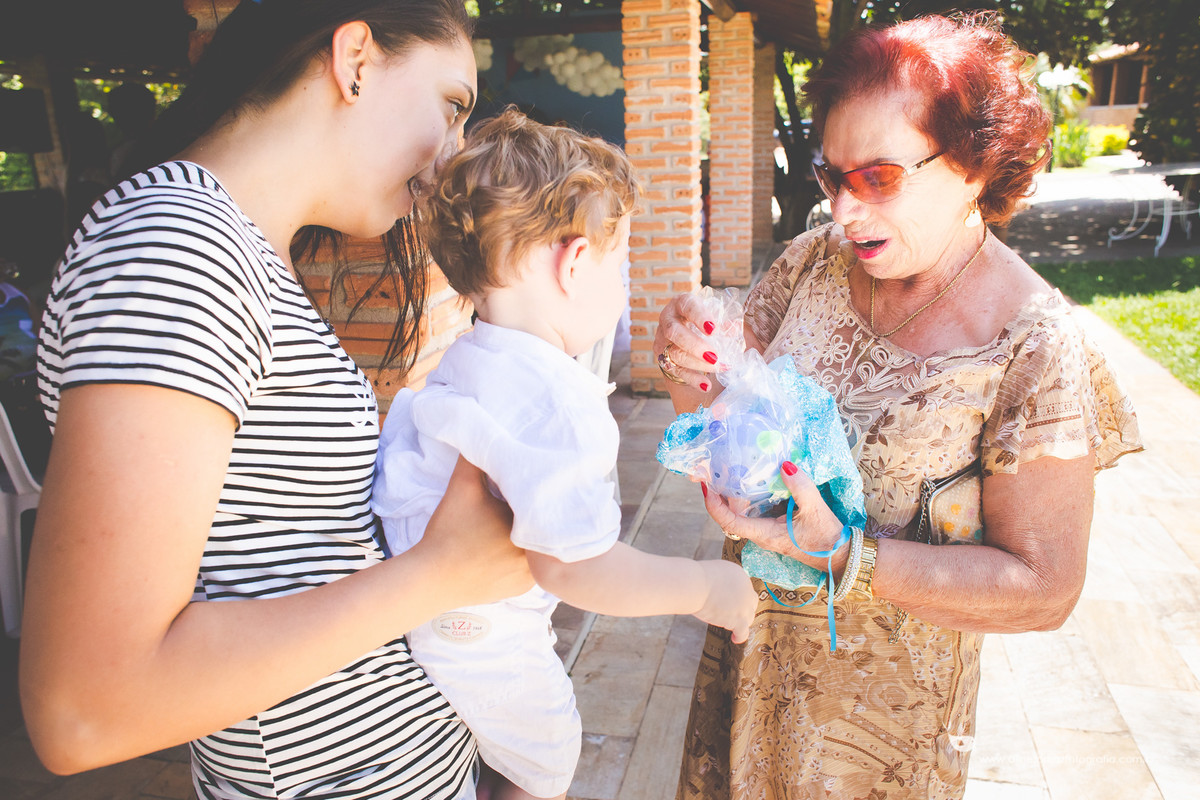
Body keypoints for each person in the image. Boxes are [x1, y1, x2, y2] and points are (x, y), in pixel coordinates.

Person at [20, 2, 534, 798]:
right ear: (356, 59)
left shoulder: (227, 247)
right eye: (453, 105)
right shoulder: (178, 248)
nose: (452, 155)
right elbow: (86, 710)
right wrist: (439, 575)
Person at [654, 13, 1143, 800]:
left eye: (878, 177)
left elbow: (1044, 589)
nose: (845, 213)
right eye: (831, 178)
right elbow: (722, 413)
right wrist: (691, 355)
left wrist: (849, 554)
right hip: (746, 660)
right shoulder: (812, 262)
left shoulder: (1034, 345)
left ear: (976, 166)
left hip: (880, 734)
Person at [373, 108, 757, 800]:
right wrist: (707, 590)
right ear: (577, 262)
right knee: (550, 755)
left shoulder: (473, 355)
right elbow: (576, 569)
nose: (622, 294)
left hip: (408, 605)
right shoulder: (563, 402)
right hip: (476, 628)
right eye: (622, 271)